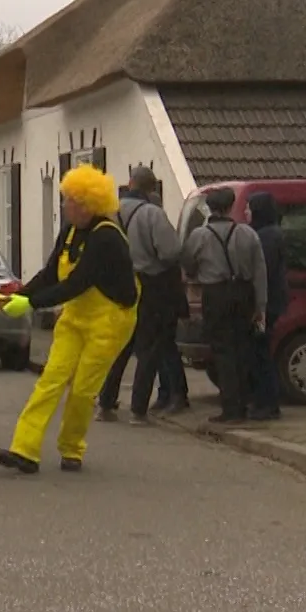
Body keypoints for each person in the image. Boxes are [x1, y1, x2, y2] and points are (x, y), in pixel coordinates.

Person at [0, 165, 138, 474]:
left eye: (69, 200)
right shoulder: (69, 232)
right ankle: (24, 449)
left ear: (85, 204)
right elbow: (50, 274)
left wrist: (31, 304)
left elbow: (77, 283)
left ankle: (72, 448)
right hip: (76, 315)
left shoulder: (107, 239)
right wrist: (18, 294)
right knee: (50, 379)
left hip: (110, 320)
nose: (64, 205)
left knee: (84, 389)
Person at [94, 167, 183, 424]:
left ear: (130, 182)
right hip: (149, 285)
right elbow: (170, 252)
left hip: (116, 286)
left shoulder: (108, 213)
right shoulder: (153, 215)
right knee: (148, 348)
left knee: (119, 348)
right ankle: (138, 410)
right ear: (151, 189)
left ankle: (106, 404)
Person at [180, 188, 267, 425]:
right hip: (243, 292)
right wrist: (260, 305)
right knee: (243, 347)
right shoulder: (247, 234)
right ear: (230, 207)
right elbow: (260, 272)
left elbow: (187, 263)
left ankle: (230, 407)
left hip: (215, 293)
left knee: (222, 350)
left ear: (209, 208)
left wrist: (196, 273)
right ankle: (246, 401)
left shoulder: (200, 235)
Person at [245, 192, 288, 421]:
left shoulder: (266, 237)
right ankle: (262, 400)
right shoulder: (268, 233)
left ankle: (268, 403)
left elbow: (263, 271)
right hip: (269, 301)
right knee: (259, 352)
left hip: (266, 304)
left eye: (249, 208)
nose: (246, 212)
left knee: (261, 352)